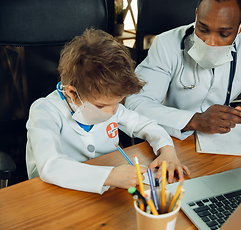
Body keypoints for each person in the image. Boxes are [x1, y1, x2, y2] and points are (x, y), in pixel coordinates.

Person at [125, 0, 241, 151]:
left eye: (224, 34)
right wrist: (195, 120)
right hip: (172, 142)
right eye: (203, 29)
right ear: (196, 15)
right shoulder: (166, 44)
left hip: (222, 146)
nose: (211, 42)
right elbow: (135, 102)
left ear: (240, 27)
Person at [26, 28, 190, 194]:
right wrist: (109, 176)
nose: (112, 113)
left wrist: (167, 151)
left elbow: (147, 125)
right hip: (54, 192)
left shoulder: (111, 107)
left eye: (118, 103)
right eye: (100, 106)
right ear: (72, 92)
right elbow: (50, 165)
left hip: (104, 190)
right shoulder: (44, 111)